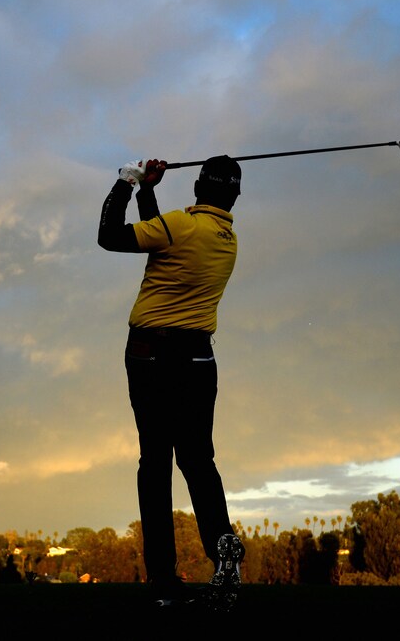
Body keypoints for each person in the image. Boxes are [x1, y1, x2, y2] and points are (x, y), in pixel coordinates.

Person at [98, 155, 246, 609]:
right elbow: (159, 236)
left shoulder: (181, 225)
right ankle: (222, 556)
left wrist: (128, 181)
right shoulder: (226, 237)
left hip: (153, 356)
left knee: (156, 464)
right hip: (200, 358)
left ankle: (163, 579)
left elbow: (109, 236)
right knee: (200, 463)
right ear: (234, 196)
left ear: (198, 186)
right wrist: (148, 192)